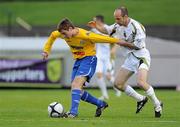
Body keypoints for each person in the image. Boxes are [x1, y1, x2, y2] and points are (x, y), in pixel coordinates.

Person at [88, 6, 163, 118]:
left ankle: (157, 104)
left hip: (141, 57)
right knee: (117, 84)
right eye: (115, 18)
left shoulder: (136, 27)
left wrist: (122, 43)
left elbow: (138, 46)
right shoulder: (118, 25)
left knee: (141, 83)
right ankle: (141, 99)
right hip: (130, 58)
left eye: (118, 18)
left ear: (125, 17)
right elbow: (107, 30)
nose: (116, 21)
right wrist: (97, 27)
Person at [42, 18, 122, 118]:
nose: (63, 36)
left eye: (64, 33)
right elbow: (53, 36)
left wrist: (118, 41)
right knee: (76, 90)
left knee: (76, 85)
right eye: (62, 34)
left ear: (70, 28)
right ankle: (100, 104)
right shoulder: (62, 33)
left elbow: (102, 38)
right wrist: (46, 50)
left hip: (89, 59)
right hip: (78, 61)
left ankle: (73, 113)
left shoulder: (85, 34)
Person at [89, 15, 121, 100]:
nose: (93, 22)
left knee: (108, 76)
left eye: (94, 21)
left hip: (108, 56)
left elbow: (117, 40)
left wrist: (114, 49)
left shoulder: (108, 29)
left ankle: (118, 89)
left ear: (99, 21)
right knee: (99, 74)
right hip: (98, 56)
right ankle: (104, 94)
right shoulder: (94, 30)